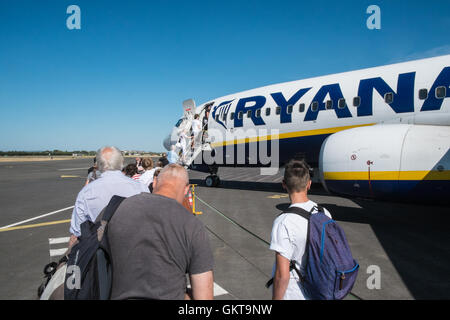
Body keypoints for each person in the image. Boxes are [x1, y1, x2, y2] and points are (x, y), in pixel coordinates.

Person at [107, 164, 214, 300]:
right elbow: (204, 296)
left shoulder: (116, 208)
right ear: (187, 189)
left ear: (155, 182)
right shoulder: (193, 226)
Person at [269, 159, 332, 300]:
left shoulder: (283, 222)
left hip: (294, 293)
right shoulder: (324, 213)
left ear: (284, 185)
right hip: (321, 289)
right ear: (309, 184)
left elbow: (282, 275)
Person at [69, 146, 149, 246]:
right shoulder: (141, 188)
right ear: (121, 162)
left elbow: (77, 231)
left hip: (100, 249)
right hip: (135, 247)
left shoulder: (86, 192)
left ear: (98, 165)